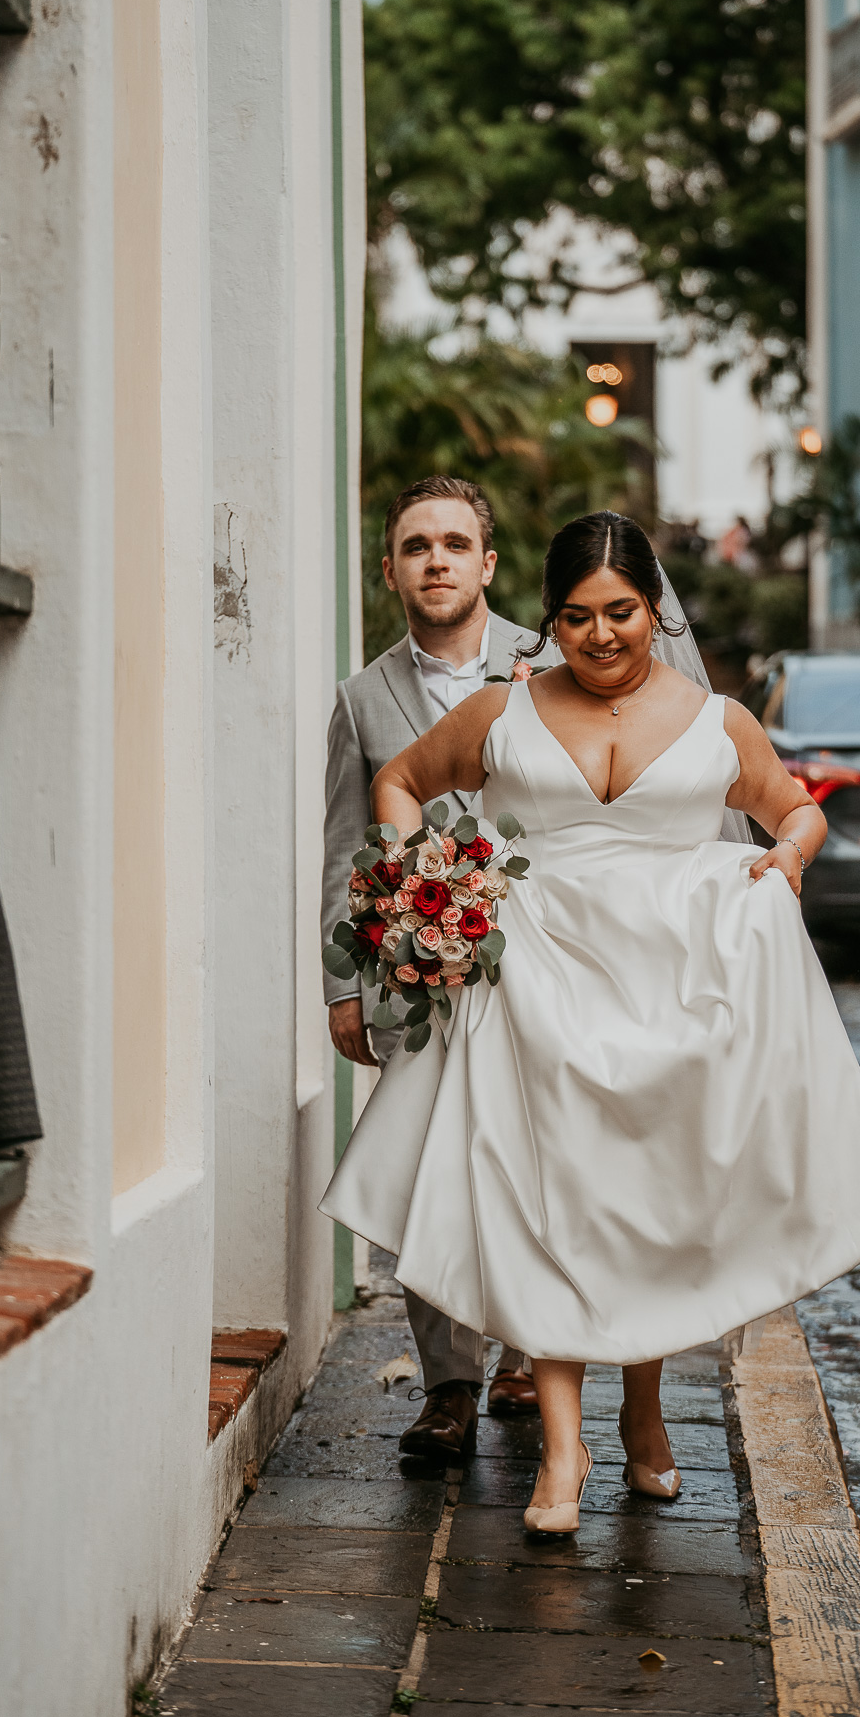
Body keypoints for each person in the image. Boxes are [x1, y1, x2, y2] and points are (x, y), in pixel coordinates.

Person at [322, 510, 860, 1536]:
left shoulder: (718, 718)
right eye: (579, 617)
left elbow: (795, 805)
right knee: (557, 1204)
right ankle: (562, 1445)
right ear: (549, 620)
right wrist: (425, 880)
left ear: (654, 610)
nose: (602, 636)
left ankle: (644, 1409)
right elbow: (399, 781)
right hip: (536, 987)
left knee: (654, 1202)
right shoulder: (503, 711)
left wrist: (791, 857)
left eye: (622, 613)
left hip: (678, 991)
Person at [322, 474, 559, 1458]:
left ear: (487, 564)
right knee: (426, 1171)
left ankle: (522, 1352)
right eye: (417, 546)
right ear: (391, 569)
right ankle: (450, 1385)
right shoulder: (361, 697)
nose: (436, 561)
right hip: (417, 973)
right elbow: (344, 844)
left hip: (538, 959)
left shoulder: (545, 665)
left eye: (454, 544)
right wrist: (344, 982)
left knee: (532, 1158)